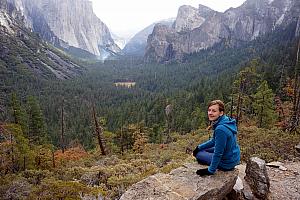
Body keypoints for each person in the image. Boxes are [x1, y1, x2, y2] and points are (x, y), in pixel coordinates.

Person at [193, 100, 240, 176]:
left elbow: (218, 153)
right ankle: (204, 155)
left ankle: (209, 162)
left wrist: (210, 170)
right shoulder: (226, 120)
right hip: (232, 156)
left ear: (221, 113)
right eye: (209, 110)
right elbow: (214, 141)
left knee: (199, 154)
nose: (210, 113)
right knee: (201, 149)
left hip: (226, 163)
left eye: (214, 111)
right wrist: (199, 147)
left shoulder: (220, 129)